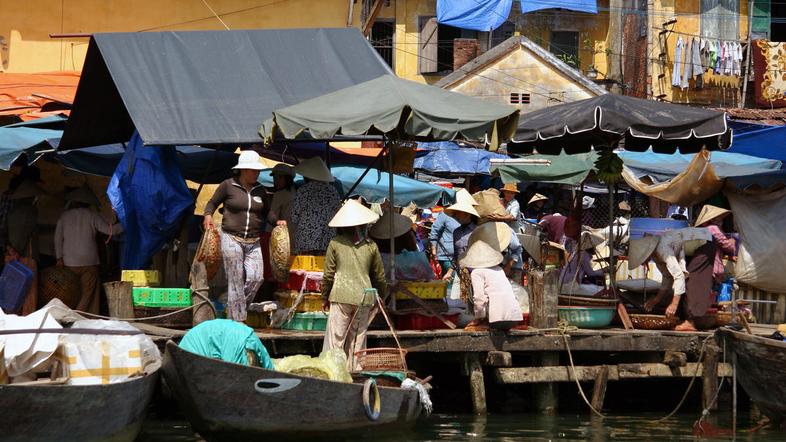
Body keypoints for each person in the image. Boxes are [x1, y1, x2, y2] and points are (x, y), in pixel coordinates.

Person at [321, 199, 387, 369]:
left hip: (340, 295)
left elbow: (328, 275)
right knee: (357, 340)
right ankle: (356, 371)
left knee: (336, 340)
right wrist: (382, 296)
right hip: (364, 297)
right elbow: (379, 277)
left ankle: (333, 372)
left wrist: (324, 297)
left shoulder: (335, 243)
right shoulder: (371, 246)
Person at [204, 150, 267, 322]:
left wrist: (278, 221)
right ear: (243, 170)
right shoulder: (228, 185)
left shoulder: (261, 190)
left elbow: (268, 213)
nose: (256, 173)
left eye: (257, 170)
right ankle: (238, 320)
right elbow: (212, 203)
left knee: (256, 278)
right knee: (236, 278)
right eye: (253, 170)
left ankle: (234, 309)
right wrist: (208, 216)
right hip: (231, 237)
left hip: (253, 240)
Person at [55, 185, 123, 314]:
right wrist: (126, 224)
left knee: (71, 292)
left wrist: (59, 258)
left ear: (74, 201)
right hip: (89, 262)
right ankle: (80, 315)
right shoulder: (92, 215)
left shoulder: (64, 216)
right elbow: (110, 231)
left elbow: (58, 239)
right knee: (88, 294)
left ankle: (71, 314)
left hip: (69, 263)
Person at [461, 226, 523, 331]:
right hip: (514, 319)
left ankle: (485, 323)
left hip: (496, 320)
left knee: (462, 320)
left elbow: (479, 299)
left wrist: (478, 318)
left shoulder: (477, 272)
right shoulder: (499, 269)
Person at [290, 157, 341, 254]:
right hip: (327, 241)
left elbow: (294, 217)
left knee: (306, 264)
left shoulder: (303, 191)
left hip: (305, 242)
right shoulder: (332, 191)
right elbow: (338, 215)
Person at [266, 163, 295, 239]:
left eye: (280, 178)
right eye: (274, 178)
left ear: (287, 179)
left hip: (283, 238)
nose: (276, 181)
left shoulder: (280, 194)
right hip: (295, 237)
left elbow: (272, 218)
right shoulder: (297, 192)